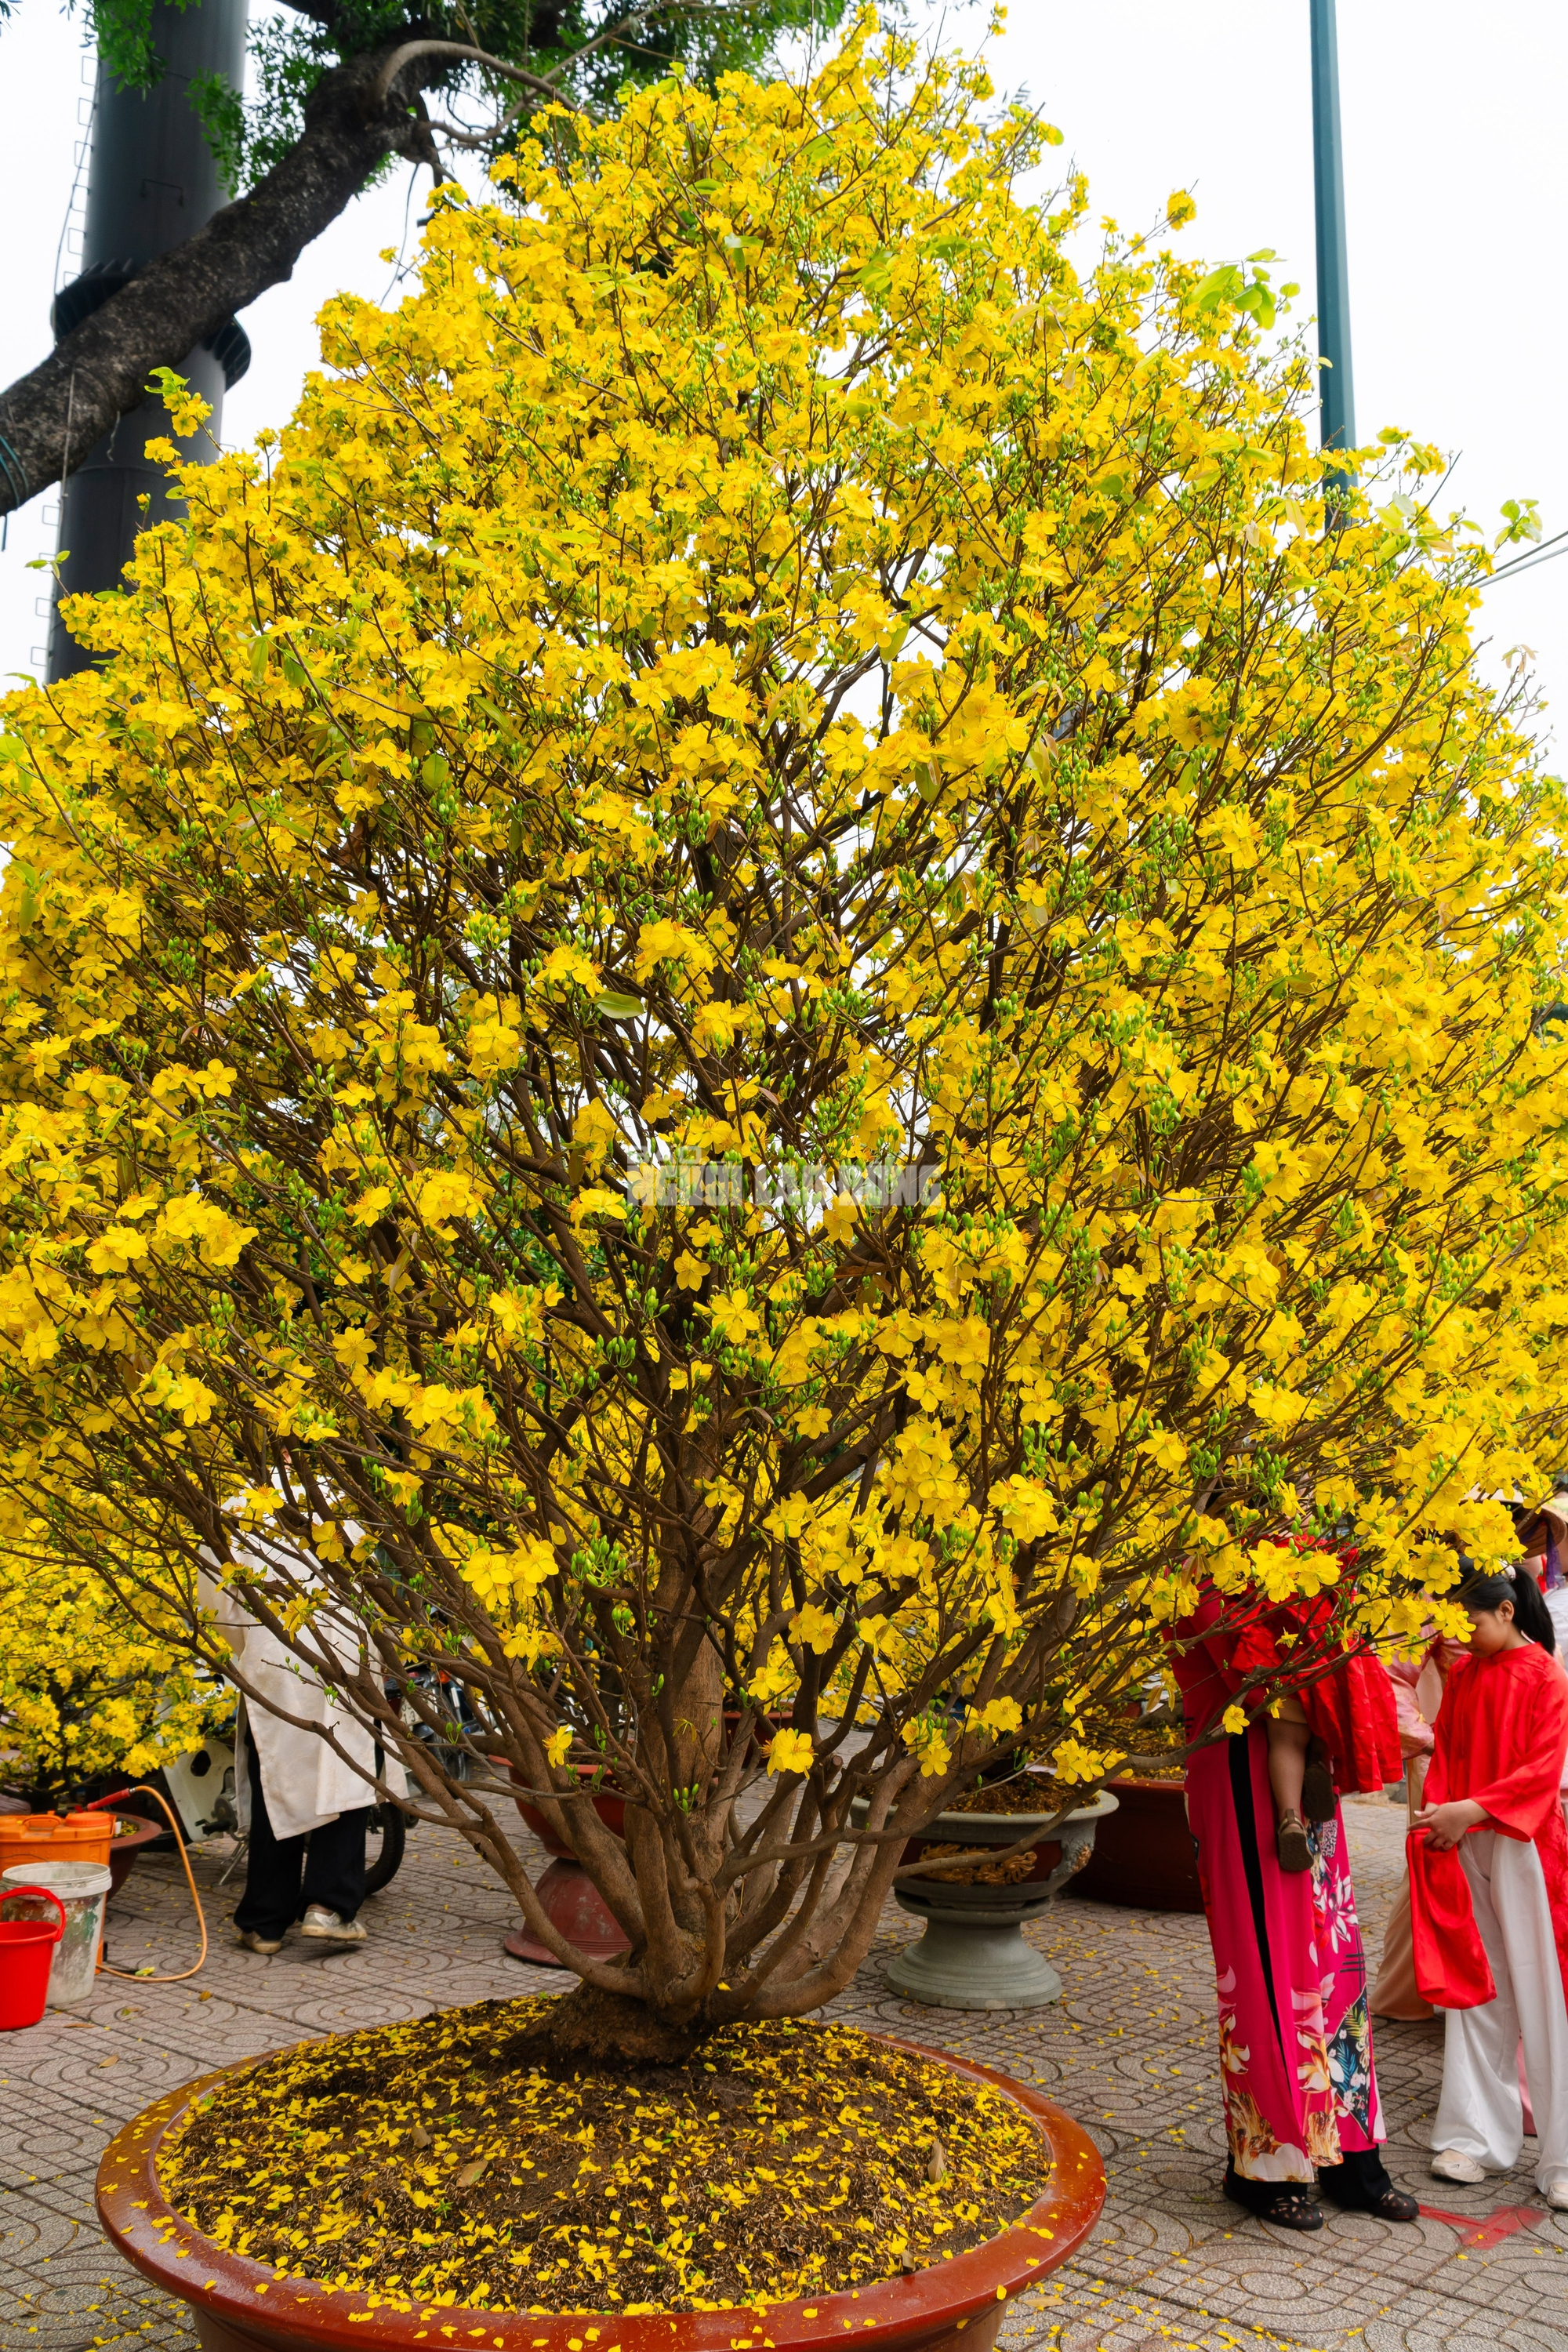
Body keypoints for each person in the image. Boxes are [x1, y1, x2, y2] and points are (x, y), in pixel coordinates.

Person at [1171, 1577, 1418, 2231]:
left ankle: (1351, 2158)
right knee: (1262, 1974)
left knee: (1338, 1964)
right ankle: (1265, 2166)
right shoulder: (1194, 1577)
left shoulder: (1287, 1566)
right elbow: (1262, 1683)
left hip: (1310, 1783)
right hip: (1233, 1777)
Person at [1410, 1566, 1568, 2205]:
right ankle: (1474, 2138)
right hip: (1468, 1837)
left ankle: (1559, 2158)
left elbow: (1543, 1769)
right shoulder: (1467, 1674)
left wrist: (1468, 1810)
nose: (1460, 1636)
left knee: (1544, 1992)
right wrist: (1443, 1817)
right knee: (1478, 1986)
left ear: (1505, 1612)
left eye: (1468, 1622)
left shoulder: (1548, 1678)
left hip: (1525, 1843)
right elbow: (1445, 1751)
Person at [201, 1561, 390, 1955]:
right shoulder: (341, 1503)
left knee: (277, 1776)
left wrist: (256, 1646)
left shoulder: (234, 1508)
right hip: (344, 1650)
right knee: (345, 1773)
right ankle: (328, 1906)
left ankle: (265, 1922)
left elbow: (217, 1605)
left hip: (275, 1653)